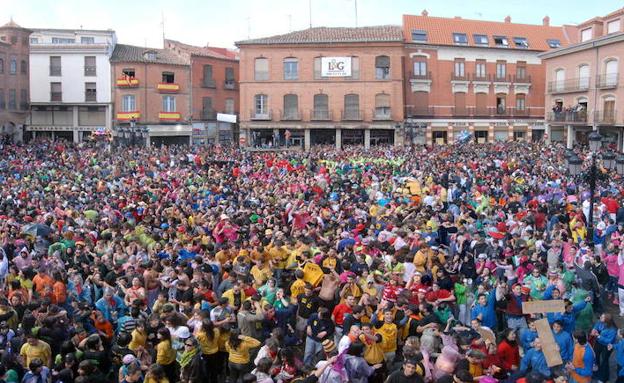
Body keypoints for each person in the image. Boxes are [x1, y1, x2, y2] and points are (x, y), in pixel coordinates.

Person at [591, 313, 617, 382]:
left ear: (607, 321)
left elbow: (609, 341)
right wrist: (594, 329)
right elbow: (597, 325)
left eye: (602, 317)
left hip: (606, 346)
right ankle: (596, 373)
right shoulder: (600, 322)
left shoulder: (613, 330)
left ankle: (603, 378)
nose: (600, 318)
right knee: (595, 357)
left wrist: (599, 336)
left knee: (604, 361)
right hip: (598, 343)